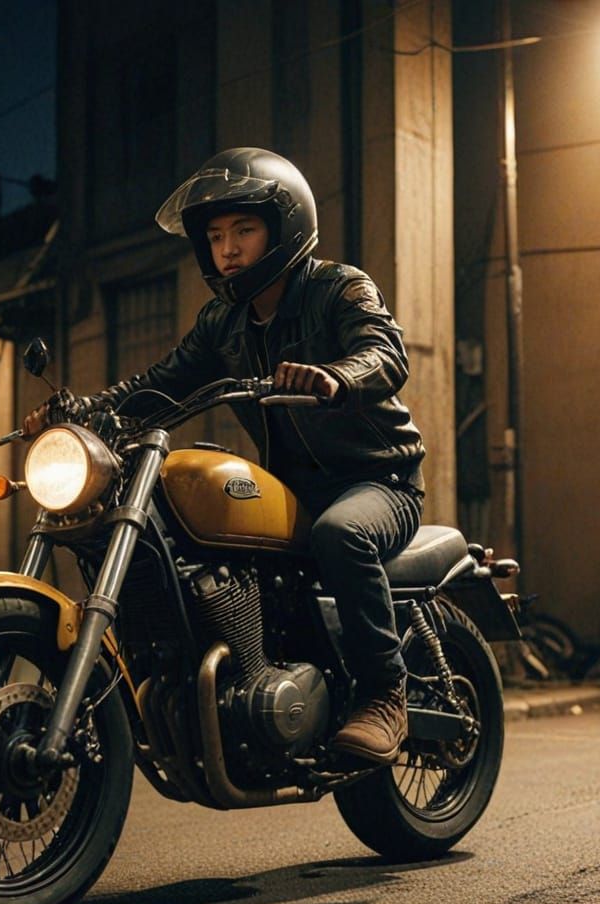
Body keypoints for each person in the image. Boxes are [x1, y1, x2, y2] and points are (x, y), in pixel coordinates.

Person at [23, 147, 425, 764]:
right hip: (292, 487)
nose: (228, 249)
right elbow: (157, 387)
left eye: (244, 230)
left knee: (341, 533)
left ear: (284, 228)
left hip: (377, 480)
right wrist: (79, 412)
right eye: (215, 237)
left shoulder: (340, 287)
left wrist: (336, 377)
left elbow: (385, 353)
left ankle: (384, 694)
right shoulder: (222, 322)